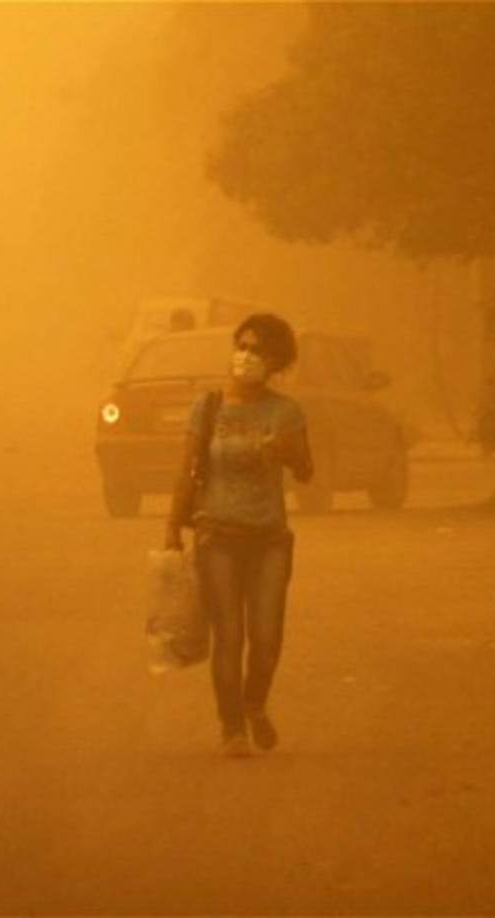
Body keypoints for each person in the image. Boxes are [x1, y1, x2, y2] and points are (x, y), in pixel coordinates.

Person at [165, 314, 314, 757]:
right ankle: (232, 728)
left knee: (266, 636)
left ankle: (255, 704)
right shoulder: (208, 407)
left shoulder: (285, 411)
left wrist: (284, 451)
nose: (246, 356)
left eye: (258, 351)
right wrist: (172, 529)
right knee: (229, 636)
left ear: (276, 363)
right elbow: (187, 471)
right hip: (218, 535)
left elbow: (306, 471)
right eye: (242, 345)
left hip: (269, 538)